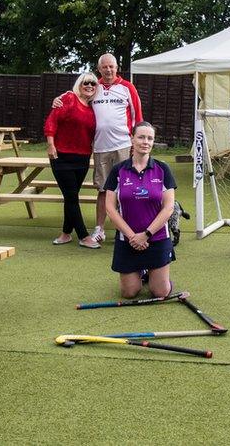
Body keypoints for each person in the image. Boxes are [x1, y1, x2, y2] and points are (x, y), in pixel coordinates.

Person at [53, 53, 143, 246]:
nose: (108, 70)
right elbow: (75, 97)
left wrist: (136, 145)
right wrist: (58, 98)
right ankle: (99, 229)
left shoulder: (127, 87)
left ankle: (126, 229)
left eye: (112, 66)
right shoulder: (94, 87)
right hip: (100, 148)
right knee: (103, 189)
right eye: (105, 67)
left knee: (125, 190)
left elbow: (138, 117)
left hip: (123, 146)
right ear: (99, 68)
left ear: (117, 67)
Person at [104, 122, 176, 298]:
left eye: (150, 138)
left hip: (157, 238)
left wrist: (146, 234)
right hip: (127, 240)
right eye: (141, 137)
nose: (146, 141)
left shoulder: (162, 169)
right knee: (129, 292)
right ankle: (143, 272)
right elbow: (110, 208)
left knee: (160, 292)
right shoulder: (118, 170)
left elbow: (168, 208)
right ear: (132, 139)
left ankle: (154, 274)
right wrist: (132, 237)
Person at [44, 72, 99, 248]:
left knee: (71, 196)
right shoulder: (68, 98)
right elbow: (52, 121)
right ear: (79, 84)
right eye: (86, 83)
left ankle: (66, 233)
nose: (89, 86)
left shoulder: (94, 107)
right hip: (61, 156)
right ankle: (83, 236)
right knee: (71, 196)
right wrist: (51, 144)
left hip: (82, 157)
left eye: (93, 83)